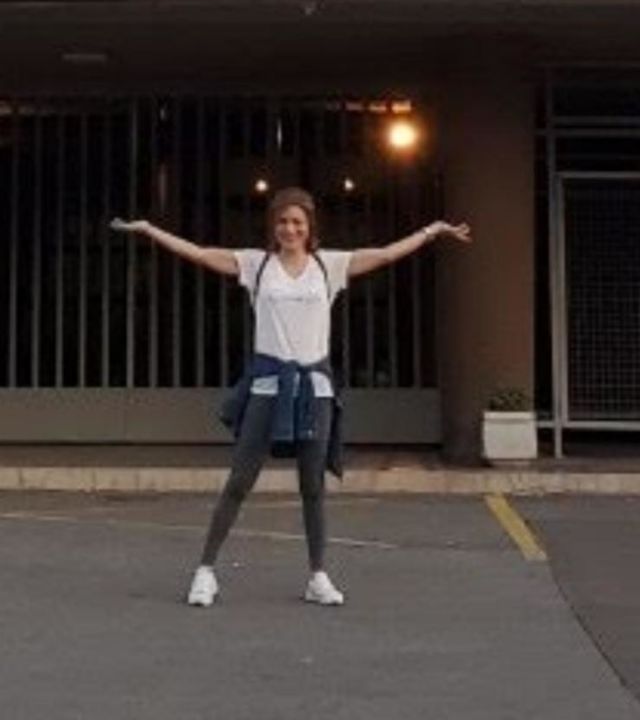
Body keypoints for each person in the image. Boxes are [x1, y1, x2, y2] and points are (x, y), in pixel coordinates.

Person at [111, 187, 471, 608]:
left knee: (312, 487)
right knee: (239, 481)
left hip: (314, 388)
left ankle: (318, 576)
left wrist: (433, 230)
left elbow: (387, 254)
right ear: (274, 226)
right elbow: (201, 254)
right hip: (268, 385)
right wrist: (151, 230)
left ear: (309, 226)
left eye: (297, 222)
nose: (290, 229)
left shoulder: (328, 265)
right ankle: (205, 571)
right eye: (282, 221)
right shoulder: (257, 264)